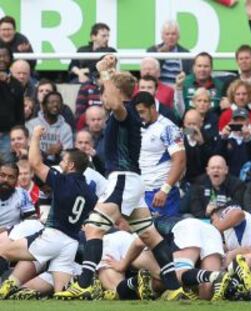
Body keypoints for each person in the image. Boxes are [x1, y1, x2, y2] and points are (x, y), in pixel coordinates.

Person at [55, 55, 186, 300]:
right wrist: (111, 73)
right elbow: (113, 101)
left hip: (123, 179)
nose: (103, 97)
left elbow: (114, 101)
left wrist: (106, 73)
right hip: (131, 181)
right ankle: (173, 287)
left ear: (117, 92)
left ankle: (84, 284)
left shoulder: (124, 112)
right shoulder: (126, 115)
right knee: (150, 235)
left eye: (106, 92)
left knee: (93, 229)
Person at [0, 126, 97, 298]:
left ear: (72, 165)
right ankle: (89, 291)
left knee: (4, 250)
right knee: (62, 292)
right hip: (70, 243)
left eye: (64, 161)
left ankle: (8, 284)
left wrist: (36, 136)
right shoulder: (90, 192)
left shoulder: (63, 181)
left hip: (51, 237)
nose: (61, 163)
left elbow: (35, 163)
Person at [134, 91, 186, 217]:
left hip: (161, 193)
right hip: (142, 192)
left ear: (152, 108)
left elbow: (180, 161)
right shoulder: (140, 127)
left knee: (164, 233)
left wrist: (165, 190)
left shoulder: (168, 128)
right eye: (137, 113)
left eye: (142, 112)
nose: (139, 116)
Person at [181, 155, 245, 218]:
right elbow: (195, 209)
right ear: (207, 171)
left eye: (219, 168)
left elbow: (237, 207)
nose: (216, 170)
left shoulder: (237, 185)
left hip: (227, 222)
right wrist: (206, 213)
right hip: (202, 220)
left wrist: (217, 210)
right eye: (213, 168)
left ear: (226, 170)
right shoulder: (198, 183)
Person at [25, 91, 74, 166]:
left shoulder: (66, 128)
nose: (55, 105)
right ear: (44, 106)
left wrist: (59, 152)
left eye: (58, 102)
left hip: (58, 166)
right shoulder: (31, 124)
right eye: (51, 102)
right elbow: (28, 149)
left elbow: (68, 155)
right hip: (35, 165)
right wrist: (47, 153)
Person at [221, 44, 251, 114]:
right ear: (237, 61)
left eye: (247, 58)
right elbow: (224, 105)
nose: (244, 61)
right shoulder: (229, 83)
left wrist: (232, 104)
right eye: (241, 59)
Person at [215, 107, 251, 177]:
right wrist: (223, 139)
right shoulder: (224, 138)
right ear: (231, 122)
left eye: (242, 120)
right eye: (236, 120)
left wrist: (247, 139)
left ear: (248, 121)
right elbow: (218, 157)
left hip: (248, 177)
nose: (239, 123)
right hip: (228, 178)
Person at [146, 21, 192, 85]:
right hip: (159, 90)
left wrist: (185, 78)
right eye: (167, 34)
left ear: (178, 36)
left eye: (173, 34)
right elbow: (150, 74)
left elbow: (190, 75)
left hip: (178, 89)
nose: (170, 37)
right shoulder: (152, 51)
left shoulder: (186, 53)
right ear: (162, 36)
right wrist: (161, 56)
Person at [0, 43, 24, 163]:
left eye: (5, 56)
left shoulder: (16, 84)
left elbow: (20, 113)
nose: (2, 59)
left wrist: (8, 84)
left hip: (8, 136)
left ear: (11, 58)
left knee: (8, 169)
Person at [182, 109, 216, 185]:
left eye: (194, 124)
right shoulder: (179, 137)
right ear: (184, 123)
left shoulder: (208, 137)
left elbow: (210, 160)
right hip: (184, 179)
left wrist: (201, 143)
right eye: (189, 124)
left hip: (202, 180)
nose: (191, 127)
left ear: (201, 123)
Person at [0, 162, 35, 230]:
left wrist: (7, 229)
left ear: (16, 180)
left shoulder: (22, 193)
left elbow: (32, 220)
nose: (6, 180)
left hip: (12, 236)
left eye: (11, 177)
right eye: (2, 175)